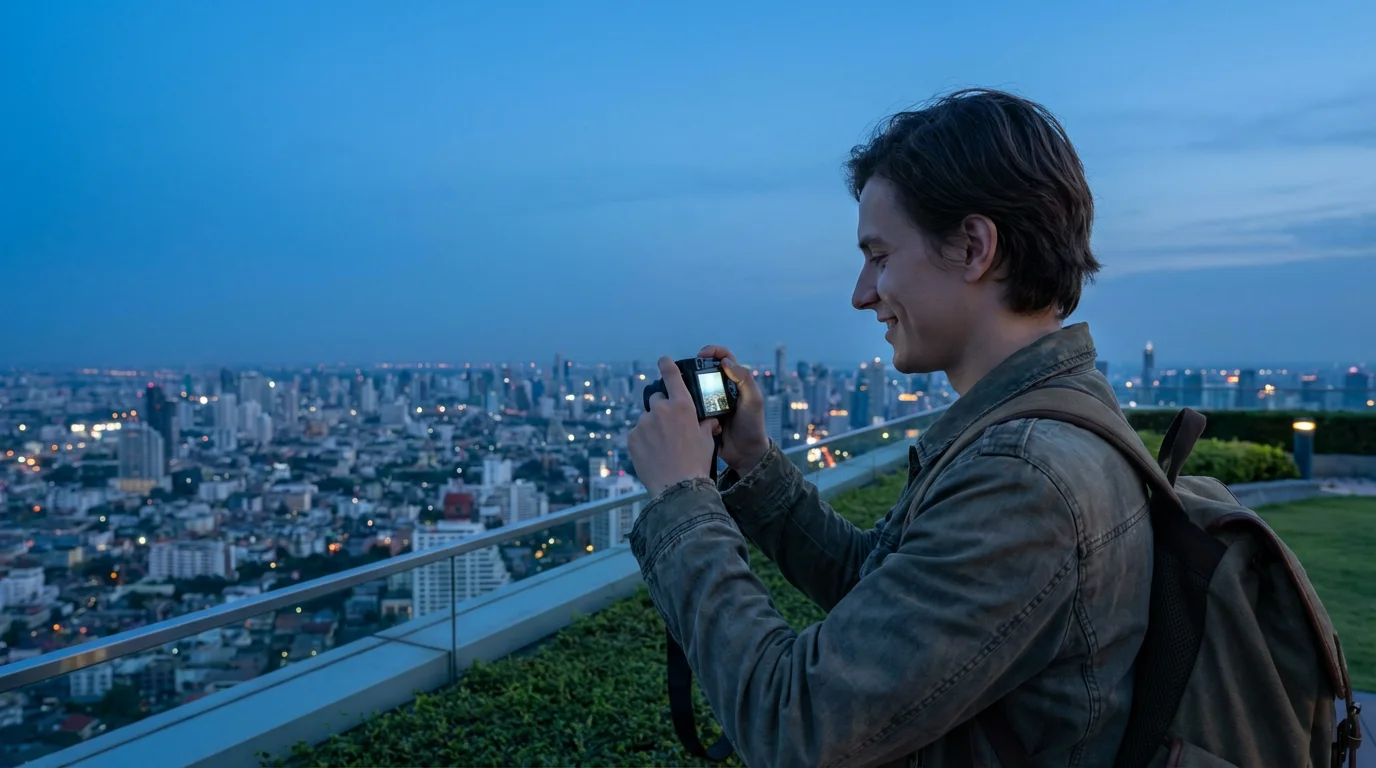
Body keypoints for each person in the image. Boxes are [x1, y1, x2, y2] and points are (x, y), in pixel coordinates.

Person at [627, 88, 1151, 767]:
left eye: (878, 254)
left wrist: (680, 503)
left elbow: (795, 725)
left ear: (972, 246)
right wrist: (754, 464)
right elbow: (883, 595)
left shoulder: (1025, 477)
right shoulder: (1049, 418)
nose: (861, 292)